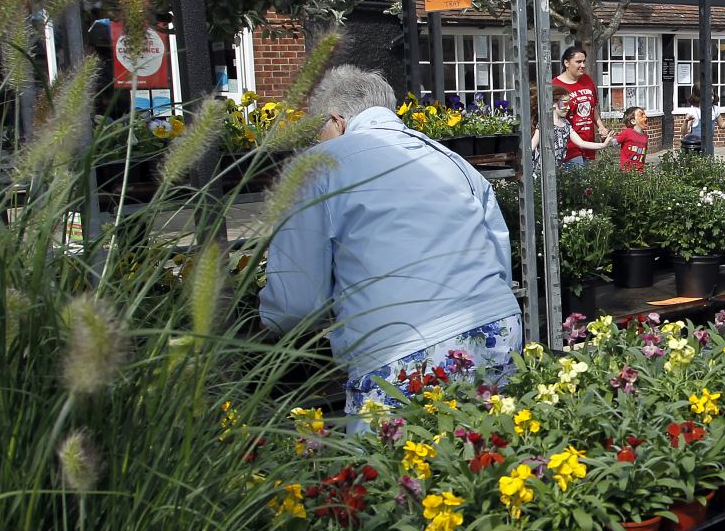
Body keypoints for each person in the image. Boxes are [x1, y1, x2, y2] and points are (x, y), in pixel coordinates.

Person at [261, 66, 523, 421]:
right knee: (484, 457)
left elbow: (295, 305)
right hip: (495, 328)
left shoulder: (316, 167)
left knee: (393, 469)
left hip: (401, 348)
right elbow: (498, 254)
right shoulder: (451, 160)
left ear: (336, 121)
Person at [531, 83, 609, 172]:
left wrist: (603, 145)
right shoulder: (544, 125)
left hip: (555, 172)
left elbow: (581, 143)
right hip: (540, 173)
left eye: (569, 104)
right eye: (564, 104)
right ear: (553, 104)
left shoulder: (566, 124)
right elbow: (532, 146)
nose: (568, 108)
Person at [553, 45, 609, 164]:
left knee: (587, 181)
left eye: (584, 61)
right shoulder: (556, 85)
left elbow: (592, 108)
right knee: (577, 180)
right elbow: (554, 114)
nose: (582, 65)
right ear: (566, 63)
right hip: (570, 145)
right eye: (578, 62)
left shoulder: (587, 80)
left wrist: (601, 126)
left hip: (588, 143)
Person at [614, 106, 649, 171]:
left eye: (645, 114)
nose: (645, 117)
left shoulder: (645, 136)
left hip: (640, 172)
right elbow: (615, 141)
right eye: (641, 115)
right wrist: (608, 141)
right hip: (627, 171)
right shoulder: (627, 132)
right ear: (633, 121)